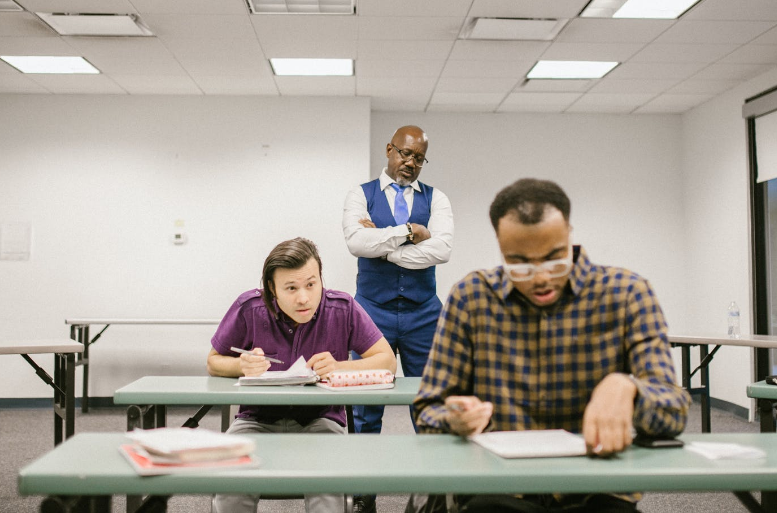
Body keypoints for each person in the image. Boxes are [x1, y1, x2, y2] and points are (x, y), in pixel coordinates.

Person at [410, 178, 690, 513]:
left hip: (596, 493)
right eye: (520, 263)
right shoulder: (471, 298)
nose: (541, 277)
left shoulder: (627, 294)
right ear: (499, 246)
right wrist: (454, 420)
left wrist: (629, 388)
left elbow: (674, 412)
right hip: (498, 492)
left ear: (569, 234)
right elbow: (427, 412)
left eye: (554, 258)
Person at [207, 237, 396, 513]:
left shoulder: (342, 308)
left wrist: (339, 367)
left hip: (321, 421)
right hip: (256, 420)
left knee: (327, 489)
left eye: (311, 284)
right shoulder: (250, 308)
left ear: (321, 278)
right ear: (272, 289)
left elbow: (387, 361)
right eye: (291, 288)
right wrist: (241, 365)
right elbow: (213, 361)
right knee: (231, 488)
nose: (304, 297)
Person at [342, 125, 454, 513]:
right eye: (405, 154)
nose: (410, 163)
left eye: (419, 158)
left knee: (429, 401)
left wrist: (384, 247)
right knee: (364, 404)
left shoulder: (437, 198)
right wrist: (409, 232)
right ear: (390, 150)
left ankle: (432, 492)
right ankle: (363, 494)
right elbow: (356, 242)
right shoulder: (361, 194)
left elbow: (442, 250)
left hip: (425, 314)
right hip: (371, 312)